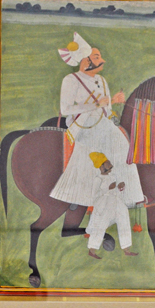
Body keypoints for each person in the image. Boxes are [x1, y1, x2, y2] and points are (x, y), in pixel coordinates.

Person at [50, 32, 144, 208]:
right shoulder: (71, 80)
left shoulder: (101, 79)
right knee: (91, 149)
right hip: (82, 125)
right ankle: (80, 197)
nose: (102, 61)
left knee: (123, 147)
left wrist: (112, 103)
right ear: (85, 61)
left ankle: (129, 196)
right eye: (97, 57)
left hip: (102, 123)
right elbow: (66, 109)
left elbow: (106, 109)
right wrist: (95, 105)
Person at [85, 152, 138, 259]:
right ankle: (92, 249)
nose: (110, 166)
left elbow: (115, 191)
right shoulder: (98, 179)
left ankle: (126, 248)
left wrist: (119, 188)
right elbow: (93, 196)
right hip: (104, 204)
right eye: (107, 164)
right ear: (101, 167)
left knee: (124, 218)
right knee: (100, 225)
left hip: (116, 202)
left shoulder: (112, 176)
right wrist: (107, 189)